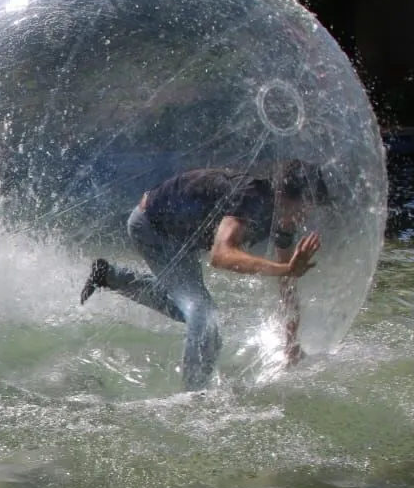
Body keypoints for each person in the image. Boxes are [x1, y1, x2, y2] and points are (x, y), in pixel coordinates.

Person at [78, 160, 326, 390]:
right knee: (204, 317)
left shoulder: (282, 221)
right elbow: (221, 255)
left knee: (189, 309)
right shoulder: (251, 197)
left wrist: (291, 343)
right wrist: (285, 268)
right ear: (285, 196)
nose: (306, 215)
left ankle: (110, 276)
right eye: (305, 206)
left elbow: (287, 283)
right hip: (151, 227)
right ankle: (194, 396)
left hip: (178, 237)